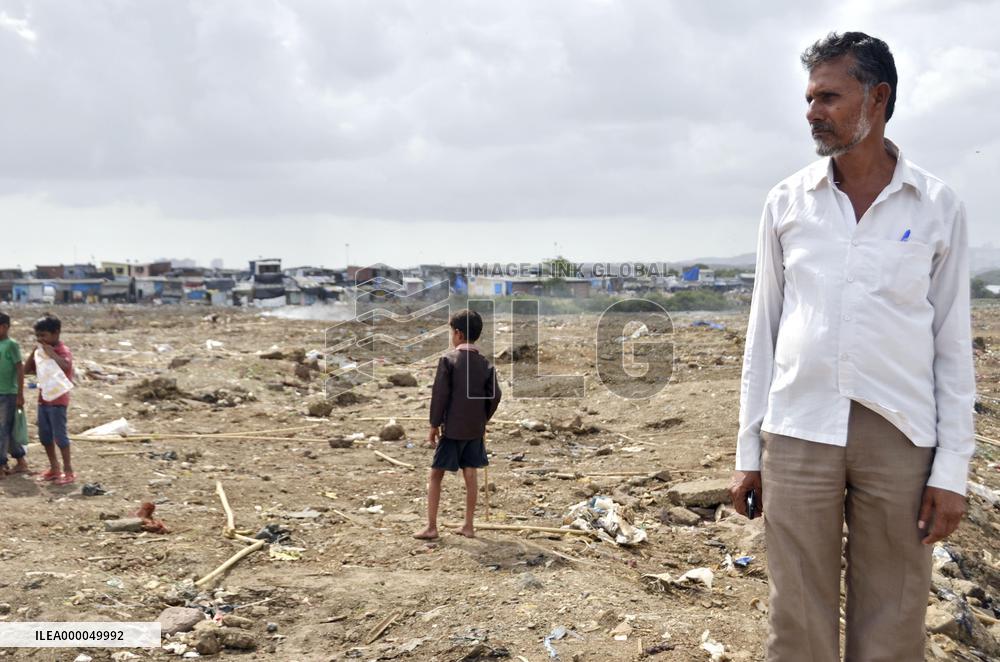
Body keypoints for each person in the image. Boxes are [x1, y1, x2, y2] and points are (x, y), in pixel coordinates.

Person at [728, 32, 975, 661]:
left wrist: (952, 470)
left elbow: (952, 344)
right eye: (810, 98)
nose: (813, 112)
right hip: (798, 427)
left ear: (878, 97)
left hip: (899, 431)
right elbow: (765, 328)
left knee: (895, 618)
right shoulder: (787, 202)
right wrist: (748, 451)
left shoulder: (937, 206)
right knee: (796, 617)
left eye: (829, 97)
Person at [414, 309, 502, 540]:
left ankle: (431, 527)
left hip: (452, 429)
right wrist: (482, 418)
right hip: (474, 429)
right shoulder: (485, 364)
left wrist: (434, 424)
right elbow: (495, 395)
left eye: (452, 332)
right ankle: (468, 526)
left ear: (459, 334)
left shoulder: (448, 361)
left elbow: (440, 395)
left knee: (436, 474)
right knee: (470, 473)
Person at [24, 314, 76, 485]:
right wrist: (34, 352)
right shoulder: (41, 352)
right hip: (44, 399)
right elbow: (27, 370)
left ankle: (68, 470)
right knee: (45, 436)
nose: (40, 339)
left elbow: (66, 366)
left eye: (43, 335)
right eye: (38, 336)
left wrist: (51, 353)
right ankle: (54, 468)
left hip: (58, 400)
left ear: (56, 333)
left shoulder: (62, 350)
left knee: (60, 437)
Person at [0, 312, 28, 477]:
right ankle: (21, 461)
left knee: (3, 430)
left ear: (4, 327)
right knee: (7, 430)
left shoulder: (11, 345)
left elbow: (20, 369)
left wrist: (20, 394)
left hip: (8, 394)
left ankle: (1, 465)